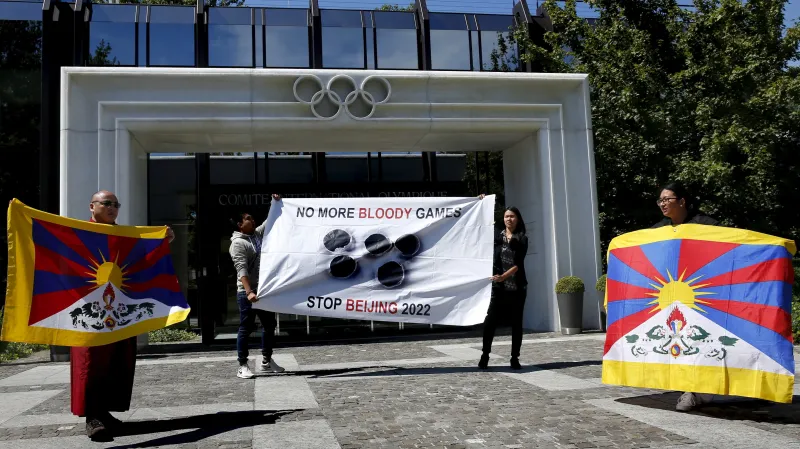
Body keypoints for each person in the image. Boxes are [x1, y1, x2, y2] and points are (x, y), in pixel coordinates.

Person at [72, 190, 175, 440]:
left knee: (117, 361)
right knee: (91, 362)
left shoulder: (124, 237)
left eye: (116, 204)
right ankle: (92, 417)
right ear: (91, 206)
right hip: (90, 311)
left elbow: (142, 260)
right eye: (106, 203)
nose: (112, 208)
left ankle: (105, 413)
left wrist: (163, 240)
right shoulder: (78, 233)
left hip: (119, 310)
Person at [651, 181, 719, 412]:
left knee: (700, 343)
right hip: (671, 300)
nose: (663, 204)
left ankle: (699, 391)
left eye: (667, 199)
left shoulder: (707, 226)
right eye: (660, 200)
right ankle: (688, 387)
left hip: (703, 298)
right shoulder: (658, 230)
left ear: (682, 201)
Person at [229, 195, 285, 379]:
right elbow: (241, 269)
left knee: (269, 325)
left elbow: (270, 220)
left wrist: (275, 203)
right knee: (246, 327)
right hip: (248, 291)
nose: (252, 221)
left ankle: (266, 361)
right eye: (248, 219)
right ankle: (242, 365)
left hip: (263, 289)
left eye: (252, 219)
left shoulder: (256, 235)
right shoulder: (238, 243)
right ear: (239, 224)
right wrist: (248, 292)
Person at [477, 198, 529, 370]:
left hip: (517, 288)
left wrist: (503, 276)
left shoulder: (522, 239)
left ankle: (515, 358)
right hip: (498, 288)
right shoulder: (497, 236)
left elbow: (518, 265)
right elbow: (484, 221)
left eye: (512, 216)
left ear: (518, 219)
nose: (509, 219)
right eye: (506, 216)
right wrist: (483, 202)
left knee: (516, 323)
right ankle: (485, 355)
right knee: (490, 321)